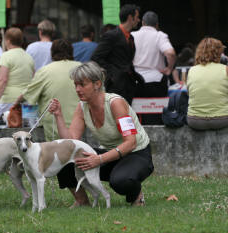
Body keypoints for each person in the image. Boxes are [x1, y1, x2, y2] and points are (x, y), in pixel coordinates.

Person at [49, 61, 154, 207]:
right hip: (110, 154)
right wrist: (58, 115)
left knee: (120, 181)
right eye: (75, 85)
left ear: (97, 84)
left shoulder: (115, 103)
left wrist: (99, 159)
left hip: (136, 153)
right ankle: (82, 202)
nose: (77, 89)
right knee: (65, 159)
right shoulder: (82, 106)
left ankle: (137, 195)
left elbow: (131, 143)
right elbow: (71, 141)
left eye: (82, 85)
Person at [15, 39, 81, 140]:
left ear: (52, 53)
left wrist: (14, 105)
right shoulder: (82, 68)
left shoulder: (44, 71)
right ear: (72, 51)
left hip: (54, 129)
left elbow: (27, 95)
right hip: (82, 126)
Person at [91, 4, 143, 105]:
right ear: (130, 18)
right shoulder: (111, 35)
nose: (139, 20)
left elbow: (127, 61)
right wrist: (113, 73)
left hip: (128, 86)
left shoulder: (130, 37)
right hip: (116, 87)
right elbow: (96, 57)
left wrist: (137, 78)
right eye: (137, 17)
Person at [132, 11, 176, 125]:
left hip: (135, 81)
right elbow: (170, 53)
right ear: (157, 25)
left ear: (142, 23)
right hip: (156, 80)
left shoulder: (132, 36)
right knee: (157, 114)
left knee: (136, 115)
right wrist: (169, 69)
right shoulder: (159, 35)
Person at [186, 37, 228, 130]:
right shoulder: (225, 69)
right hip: (222, 119)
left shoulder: (192, 70)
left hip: (195, 121)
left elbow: (189, 94)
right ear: (219, 53)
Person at [0, 27, 34, 117]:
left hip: (9, 100)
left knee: (8, 128)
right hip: (27, 100)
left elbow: (2, 80)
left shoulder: (5, 56)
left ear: (8, 41)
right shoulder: (29, 57)